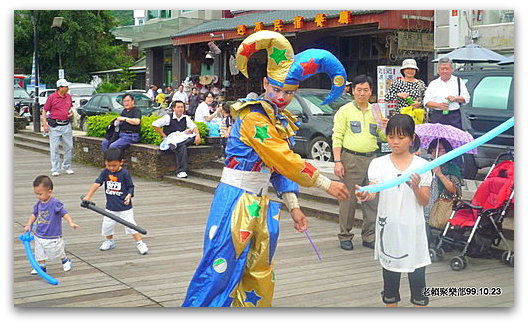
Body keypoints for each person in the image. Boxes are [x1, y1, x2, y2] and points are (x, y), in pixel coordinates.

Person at [182, 30, 350, 307]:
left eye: (289, 92)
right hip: (236, 199)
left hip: (260, 202)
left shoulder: (278, 120)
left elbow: (277, 168)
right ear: (264, 83)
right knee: (219, 268)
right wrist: (325, 183)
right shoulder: (253, 118)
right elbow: (282, 157)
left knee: (259, 271)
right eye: (276, 89)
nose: (282, 97)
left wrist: (293, 206)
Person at [356, 114, 432, 307]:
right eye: (391, 137)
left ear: (411, 138)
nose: (395, 142)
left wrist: (415, 187)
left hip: (413, 230)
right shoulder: (378, 164)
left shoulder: (423, 166)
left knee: (418, 287)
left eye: (401, 137)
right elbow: (373, 191)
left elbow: (424, 201)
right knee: (390, 287)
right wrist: (365, 194)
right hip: (388, 229)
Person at [332, 75, 388, 251]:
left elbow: (383, 137)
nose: (362, 93)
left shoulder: (376, 110)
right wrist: (338, 161)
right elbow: (337, 136)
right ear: (352, 91)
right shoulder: (344, 111)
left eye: (366, 90)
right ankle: (345, 236)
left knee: (372, 199)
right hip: (351, 159)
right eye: (359, 90)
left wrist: (386, 127)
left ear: (371, 91)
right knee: (348, 200)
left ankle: (369, 236)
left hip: (372, 159)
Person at [82, 148, 148, 255]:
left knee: (131, 225)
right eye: (109, 165)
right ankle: (110, 241)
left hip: (124, 208)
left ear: (121, 162)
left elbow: (130, 187)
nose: (111, 168)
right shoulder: (105, 172)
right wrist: (88, 196)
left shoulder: (125, 173)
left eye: (114, 165)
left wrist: (129, 195)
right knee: (107, 226)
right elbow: (97, 183)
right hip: (110, 207)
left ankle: (140, 243)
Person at [23, 175, 79, 274]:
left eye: (40, 194)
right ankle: (41, 266)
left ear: (49, 191)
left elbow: (64, 213)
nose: (38, 196)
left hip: (53, 234)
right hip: (39, 233)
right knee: (39, 252)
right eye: (36, 194)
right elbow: (34, 215)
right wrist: (29, 224)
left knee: (56, 252)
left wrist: (70, 222)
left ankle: (65, 260)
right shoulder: (38, 204)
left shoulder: (55, 203)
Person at [423, 138, 462, 243]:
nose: (436, 152)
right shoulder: (425, 166)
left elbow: (454, 190)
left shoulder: (452, 168)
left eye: (440, 149)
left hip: (441, 206)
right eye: (433, 149)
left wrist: (439, 174)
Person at [152, 100, 201, 178]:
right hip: (171, 140)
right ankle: (181, 170)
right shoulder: (168, 117)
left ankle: (177, 145)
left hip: (182, 139)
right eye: (178, 107)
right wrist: (163, 135)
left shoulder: (185, 118)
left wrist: (197, 135)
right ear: (174, 108)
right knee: (182, 147)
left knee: (191, 137)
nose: (180, 109)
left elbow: (193, 126)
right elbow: (155, 124)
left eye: (182, 107)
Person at [423, 57, 471, 129]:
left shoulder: (458, 81)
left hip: (454, 116)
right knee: (437, 139)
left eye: (447, 69)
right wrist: (438, 105)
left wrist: (456, 98)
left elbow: (466, 99)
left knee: (454, 139)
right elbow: (426, 102)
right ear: (438, 70)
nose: (445, 71)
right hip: (437, 116)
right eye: (442, 69)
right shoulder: (433, 83)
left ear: (452, 69)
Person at [42, 78, 75, 177]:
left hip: (66, 125)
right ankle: (55, 168)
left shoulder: (68, 97)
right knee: (54, 147)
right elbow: (44, 110)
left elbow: (70, 108)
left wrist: (71, 113)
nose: (67, 88)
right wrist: (45, 124)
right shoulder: (52, 97)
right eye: (66, 86)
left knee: (69, 146)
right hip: (55, 126)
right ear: (60, 88)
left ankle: (66, 166)